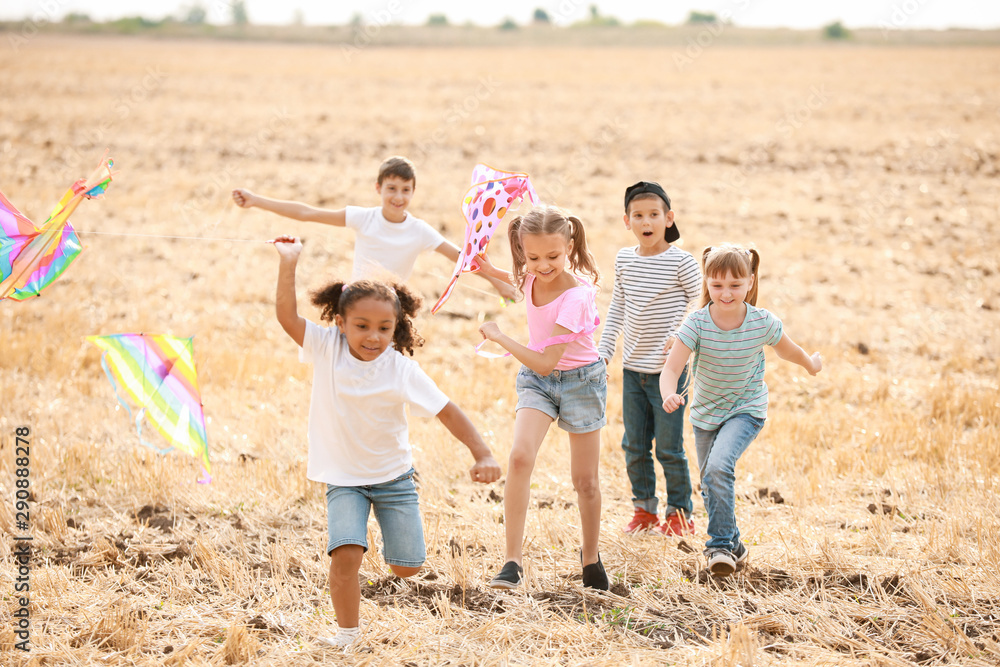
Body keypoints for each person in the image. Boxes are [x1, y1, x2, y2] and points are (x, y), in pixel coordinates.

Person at [270, 234, 502, 648]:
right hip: (343, 478)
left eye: (384, 327)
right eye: (361, 326)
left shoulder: (400, 369)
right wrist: (289, 261)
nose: (373, 336)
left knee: (407, 567)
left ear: (397, 328)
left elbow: (448, 410)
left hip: (394, 478)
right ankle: (348, 635)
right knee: (345, 557)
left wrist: (482, 452)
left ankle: (388, 541)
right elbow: (287, 318)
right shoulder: (326, 348)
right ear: (340, 322)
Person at [659, 243, 822, 576]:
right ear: (707, 283)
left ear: (750, 281)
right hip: (705, 415)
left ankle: (718, 546)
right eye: (717, 285)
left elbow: (788, 350)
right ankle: (735, 544)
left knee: (719, 467)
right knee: (710, 480)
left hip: (746, 410)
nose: (726, 293)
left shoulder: (761, 321)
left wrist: (811, 364)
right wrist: (668, 394)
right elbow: (671, 368)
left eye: (735, 285)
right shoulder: (697, 323)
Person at [475, 205, 609, 591]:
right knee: (519, 457)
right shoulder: (529, 274)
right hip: (537, 383)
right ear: (521, 250)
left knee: (584, 481)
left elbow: (548, 361)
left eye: (553, 256)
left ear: (569, 245)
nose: (542, 265)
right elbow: (511, 280)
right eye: (532, 258)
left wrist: (500, 337)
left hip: (580, 381)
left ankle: (590, 558)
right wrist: (481, 267)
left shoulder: (576, 296)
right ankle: (512, 562)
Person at [234, 155, 516, 300]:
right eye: (391, 188)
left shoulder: (420, 231)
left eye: (405, 190)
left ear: (413, 192)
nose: (398, 196)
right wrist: (256, 201)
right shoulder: (363, 218)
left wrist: (498, 283)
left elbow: (462, 259)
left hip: (392, 306)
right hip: (355, 299)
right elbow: (308, 213)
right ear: (378, 188)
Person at [598, 181, 701, 536]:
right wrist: (605, 349)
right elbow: (618, 306)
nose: (647, 221)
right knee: (635, 445)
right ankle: (644, 511)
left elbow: (701, 299)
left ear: (668, 218)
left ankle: (679, 513)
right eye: (638, 215)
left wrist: (682, 333)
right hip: (632, 371)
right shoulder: (625, 259)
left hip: (669, 373)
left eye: (654, 214)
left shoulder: (681, 262)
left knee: (669, 447)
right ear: (626, 220)